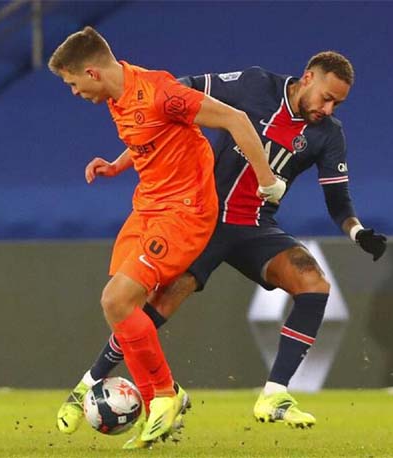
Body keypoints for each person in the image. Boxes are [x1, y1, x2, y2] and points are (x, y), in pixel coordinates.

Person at [57, 51, 387, 432]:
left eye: (337, 103)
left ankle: (274, 395)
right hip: (203, 217)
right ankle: (87, 385)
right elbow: (174, 98)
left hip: (255, 227)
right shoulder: (256, 84)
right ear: (308, 77)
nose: (328, 109)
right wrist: (122, 161)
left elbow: (338, 200)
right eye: (326, 97)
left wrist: (357, 231)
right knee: (150, 307)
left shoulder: (329, 135)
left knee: (314, 284)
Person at [47, 26, 286, 448]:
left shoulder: (162, 91)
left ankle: (165, 395)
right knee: (122, 306)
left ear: (92, 73)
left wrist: (267, 180)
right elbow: (149, 136)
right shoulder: (119, 95)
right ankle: (160, 400)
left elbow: (236, 119)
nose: (73, 92)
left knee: (116, 300)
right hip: (147, 209)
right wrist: (117, 165)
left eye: (72, 83)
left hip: (185, 213)